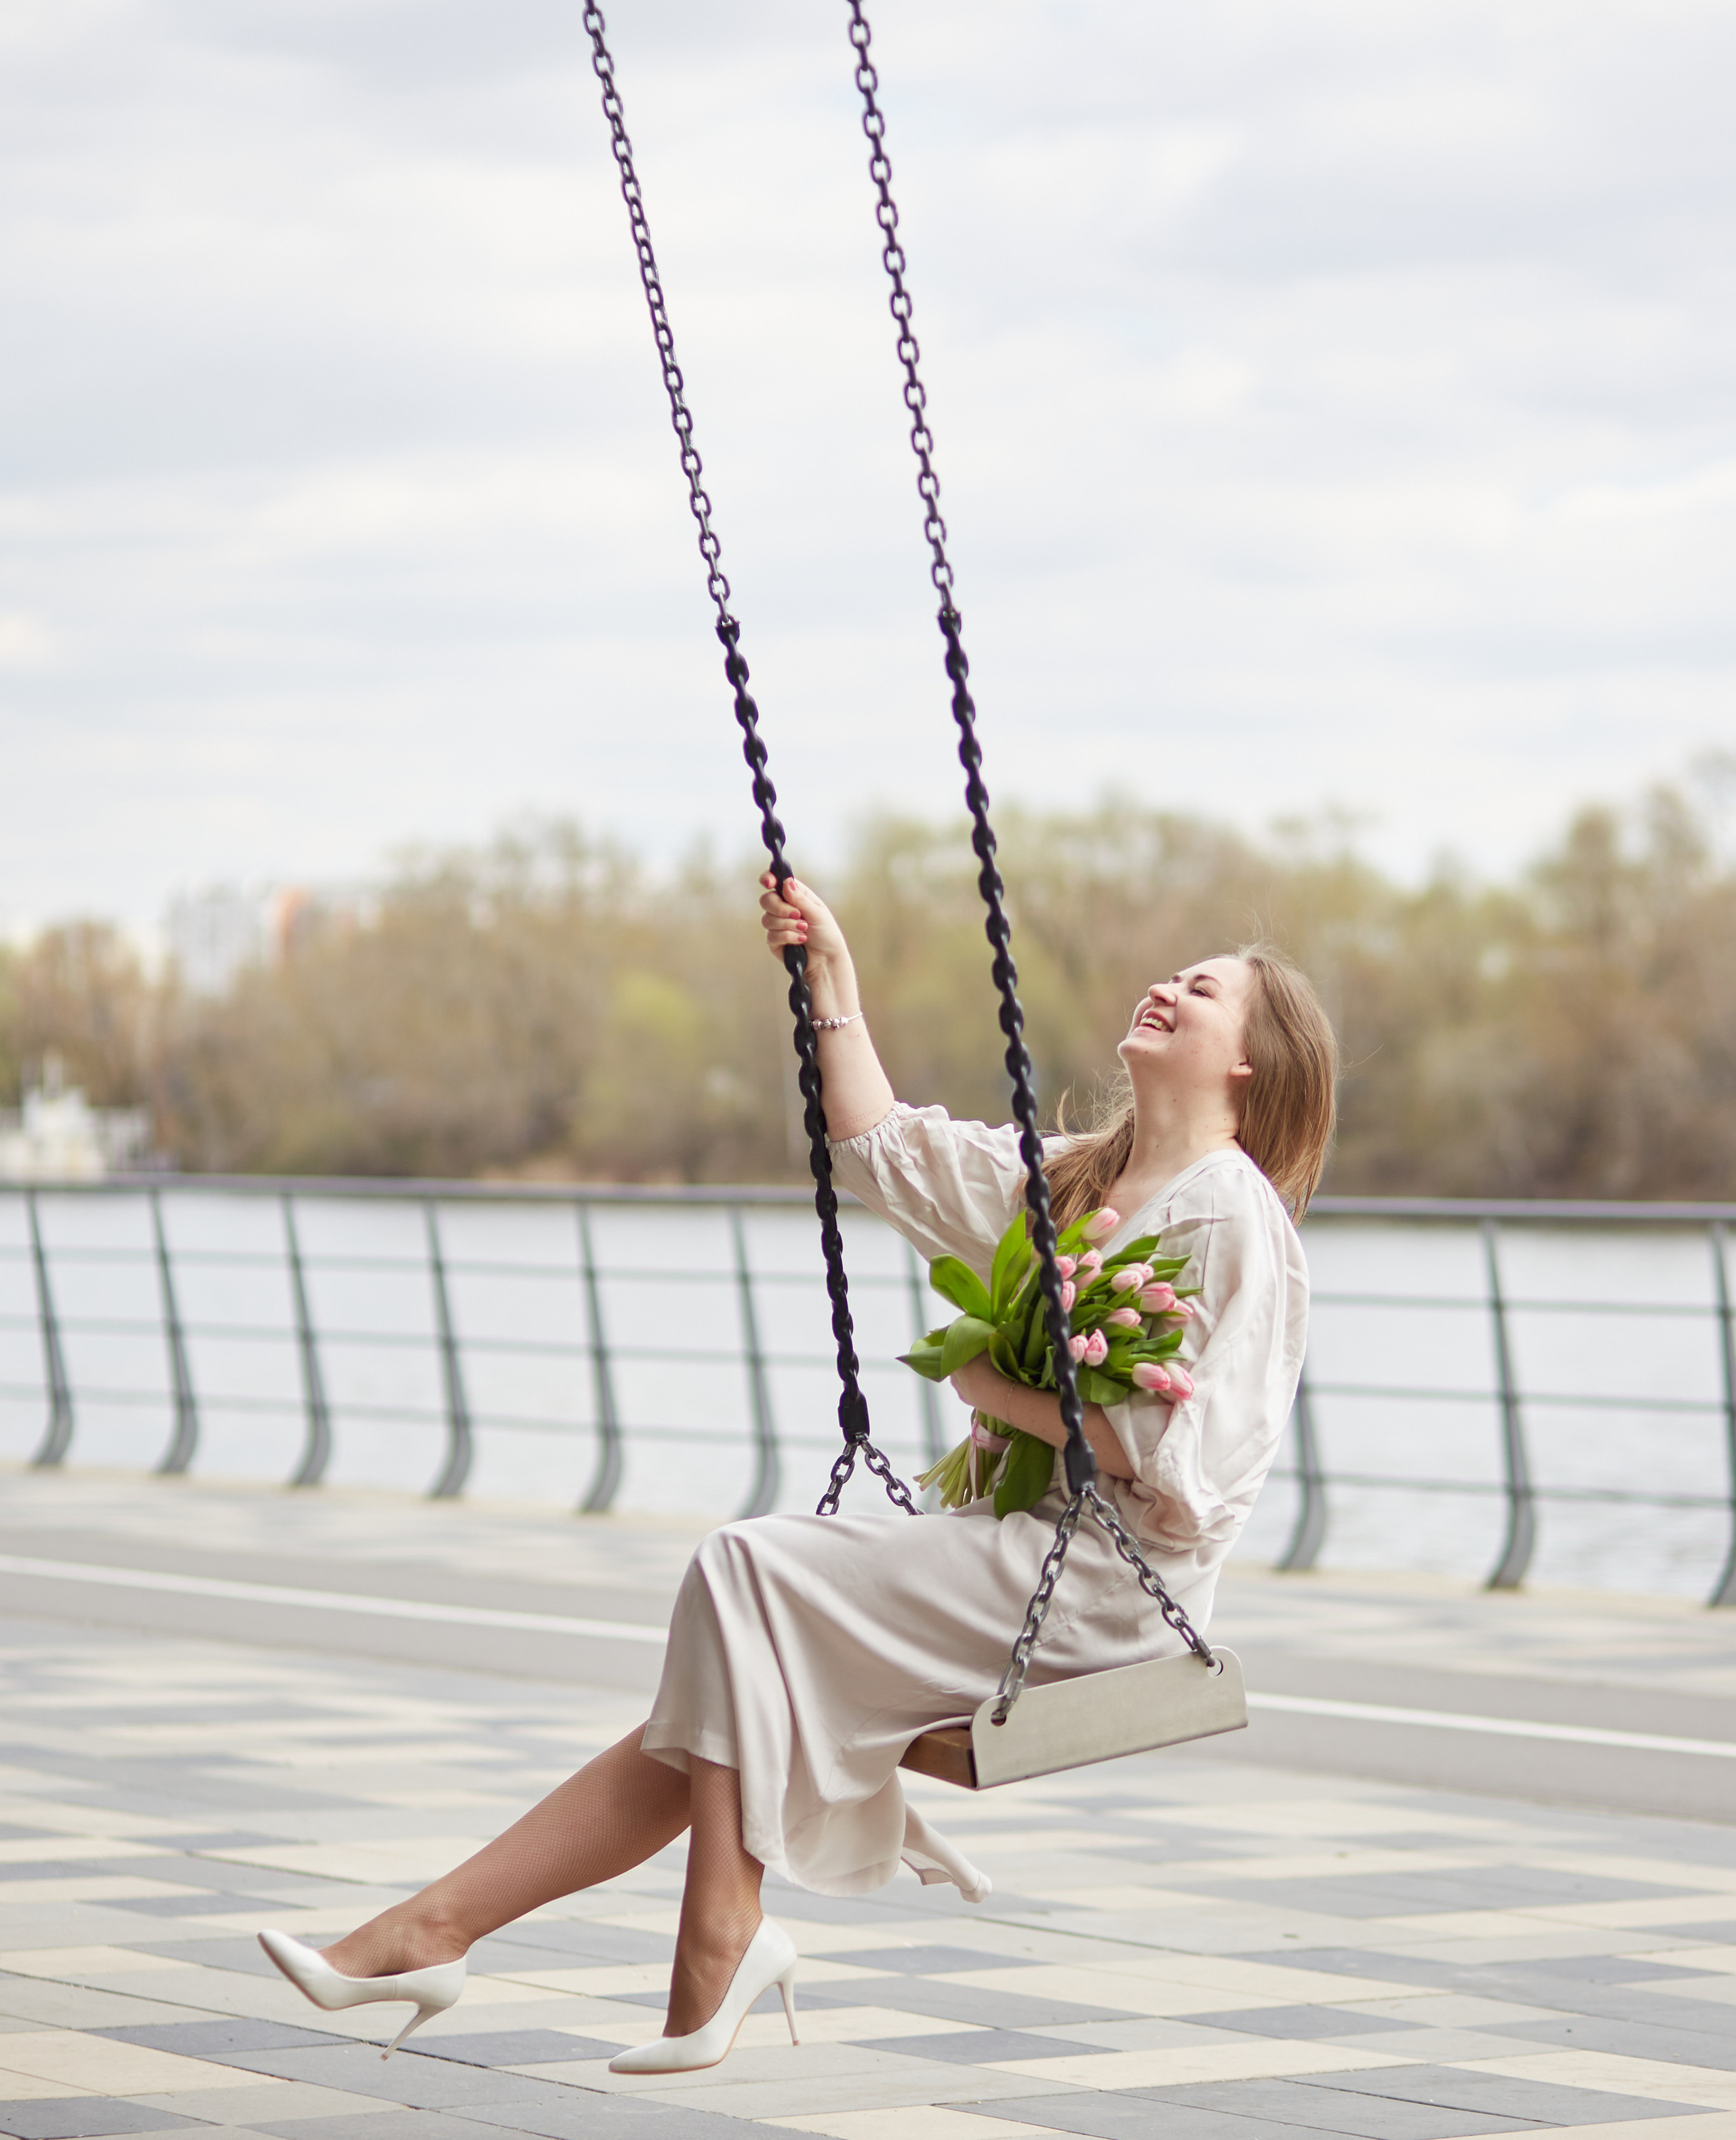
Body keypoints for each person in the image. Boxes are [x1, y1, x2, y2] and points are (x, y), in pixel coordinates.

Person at [259, 873, 1336, 2072]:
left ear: (1253, 1064)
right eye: (1174, 972)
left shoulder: (1231, 1220)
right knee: (709, 1705)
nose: (1166, 986)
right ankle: (438, 1929)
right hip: (1011, 1552)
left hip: (1100, 1587)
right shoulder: (1077, 1176)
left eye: (1202, 989)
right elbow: (882, 1146)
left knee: (743, 1567)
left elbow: (1185, 1464)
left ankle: (712, 1931)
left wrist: (996, 1393)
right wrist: (831, 974)